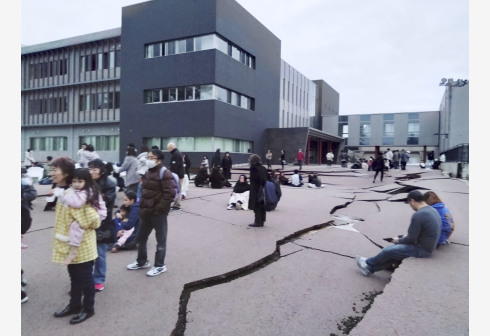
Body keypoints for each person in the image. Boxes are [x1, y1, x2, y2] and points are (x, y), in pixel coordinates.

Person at [50, 157, 100, 324]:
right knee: (74, 277)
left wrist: (80, 225)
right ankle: (74, 305)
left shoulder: (75, 194)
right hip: (70, 244)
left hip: (82, 245)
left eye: (55, 170)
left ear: (66, 173)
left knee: (85, 279)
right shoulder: (66, 190)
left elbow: (93, 219)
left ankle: (88, 309)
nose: (52, 173)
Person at [355, 190, 441, 276]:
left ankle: (367, 263)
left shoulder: (419, 215)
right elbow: (420, 233)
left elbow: (411, 239)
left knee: (389, 250)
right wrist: (401, 237)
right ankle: (369, 269)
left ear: (412, 201)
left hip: (422, 249)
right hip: (428, 246)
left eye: (409, 203)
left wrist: (397, 241)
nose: (410, 206)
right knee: (395, 254)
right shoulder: (432, 210)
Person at [126, 149, 176, 277]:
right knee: (141, 238)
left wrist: (159, 209)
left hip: (158, 213)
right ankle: (142, 261)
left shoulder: (165, 173)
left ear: (159, 160)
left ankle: (160, 265)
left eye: (151, 157)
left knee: (161, 240)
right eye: (148, 157)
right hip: (146, 212)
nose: (148, 160)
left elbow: (170, 194)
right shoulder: (148, 172)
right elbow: (144, 192)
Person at [58, 168, 107, 266]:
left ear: (86, 181)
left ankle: (74, 250)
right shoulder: (85, 189)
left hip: (97, 215)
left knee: (76, 226)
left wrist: (64, 195)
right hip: (92, 213)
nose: (76, 184)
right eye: (74, 181)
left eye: (80, 181)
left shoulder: (87, 191)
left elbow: (77, 203)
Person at [88, 159, 116, 292]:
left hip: (103, 223)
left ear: (102, 170)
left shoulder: (109, 183)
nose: (91, 172)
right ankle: (86, 278)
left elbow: (109, 201)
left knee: (100, 253)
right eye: (90, 169)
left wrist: (95, 197)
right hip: (86, 222)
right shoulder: (85, 181)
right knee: (86, 253)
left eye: (94, 169)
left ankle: (99, 279)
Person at [248, 154, 268, 227]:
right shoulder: (263, 168)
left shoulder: (253, 168)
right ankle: (262, 220)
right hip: (263, 189)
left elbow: (255, 179)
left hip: (256, 190)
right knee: (262, 205)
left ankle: (257, 221)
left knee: (257, 206)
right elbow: (267, 178)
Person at [21, 168, 37, 249]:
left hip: (22, 206)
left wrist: (23, 196)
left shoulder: (25, 180)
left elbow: (33, 193)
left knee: (25, 222)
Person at [167, 142, 185, 210]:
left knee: (178, 189)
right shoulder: (177, 153)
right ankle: (176, 204)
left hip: (178, 175)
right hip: (179, 174)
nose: (167, 150)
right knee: (177, 189)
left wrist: (172, 174)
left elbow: (175, 166)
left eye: (168, 148)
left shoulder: (175, 155)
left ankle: (177, 205)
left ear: (171, 148)